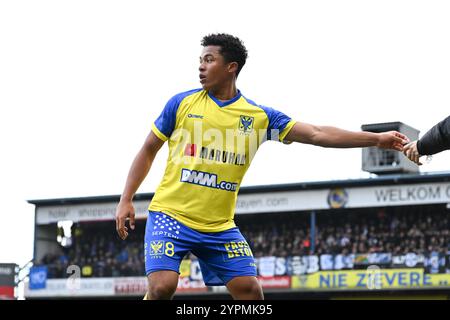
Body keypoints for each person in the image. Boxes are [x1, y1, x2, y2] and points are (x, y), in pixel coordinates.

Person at [115, 33, 409, 300]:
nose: (201, 67)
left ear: (231, 66)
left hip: (218, 226)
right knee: (162, 286)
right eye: (200, 60)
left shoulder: (259, 118)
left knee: (250, 293)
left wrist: (377, 139)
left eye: (209, 60)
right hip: (171, 216)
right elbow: (148, 150)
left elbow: (317, 134)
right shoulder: (181, 104)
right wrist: (127, 198)